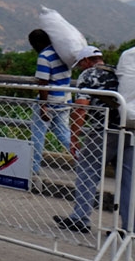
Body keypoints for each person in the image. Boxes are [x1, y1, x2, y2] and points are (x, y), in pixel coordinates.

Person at [53, 46, 133, 234]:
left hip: (103, 131)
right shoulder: (118, 73)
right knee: (128, 180)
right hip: (129, 130)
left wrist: (74, 137)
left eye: (81, 64)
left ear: (87, 61)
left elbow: (81, 107)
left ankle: (80, 218)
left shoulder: (89, 75)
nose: (81, 68)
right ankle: (129, 227)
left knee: (87, 171)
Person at [29, 28, 72, 175]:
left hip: (50, 101)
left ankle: (33, 168)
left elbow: (43, 83)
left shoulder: (44, 56)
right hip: (65, 100)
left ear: (36, 43)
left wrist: (43, 106)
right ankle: (84, 159)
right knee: (64, 134)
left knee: (38, 135)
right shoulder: (62, 53)